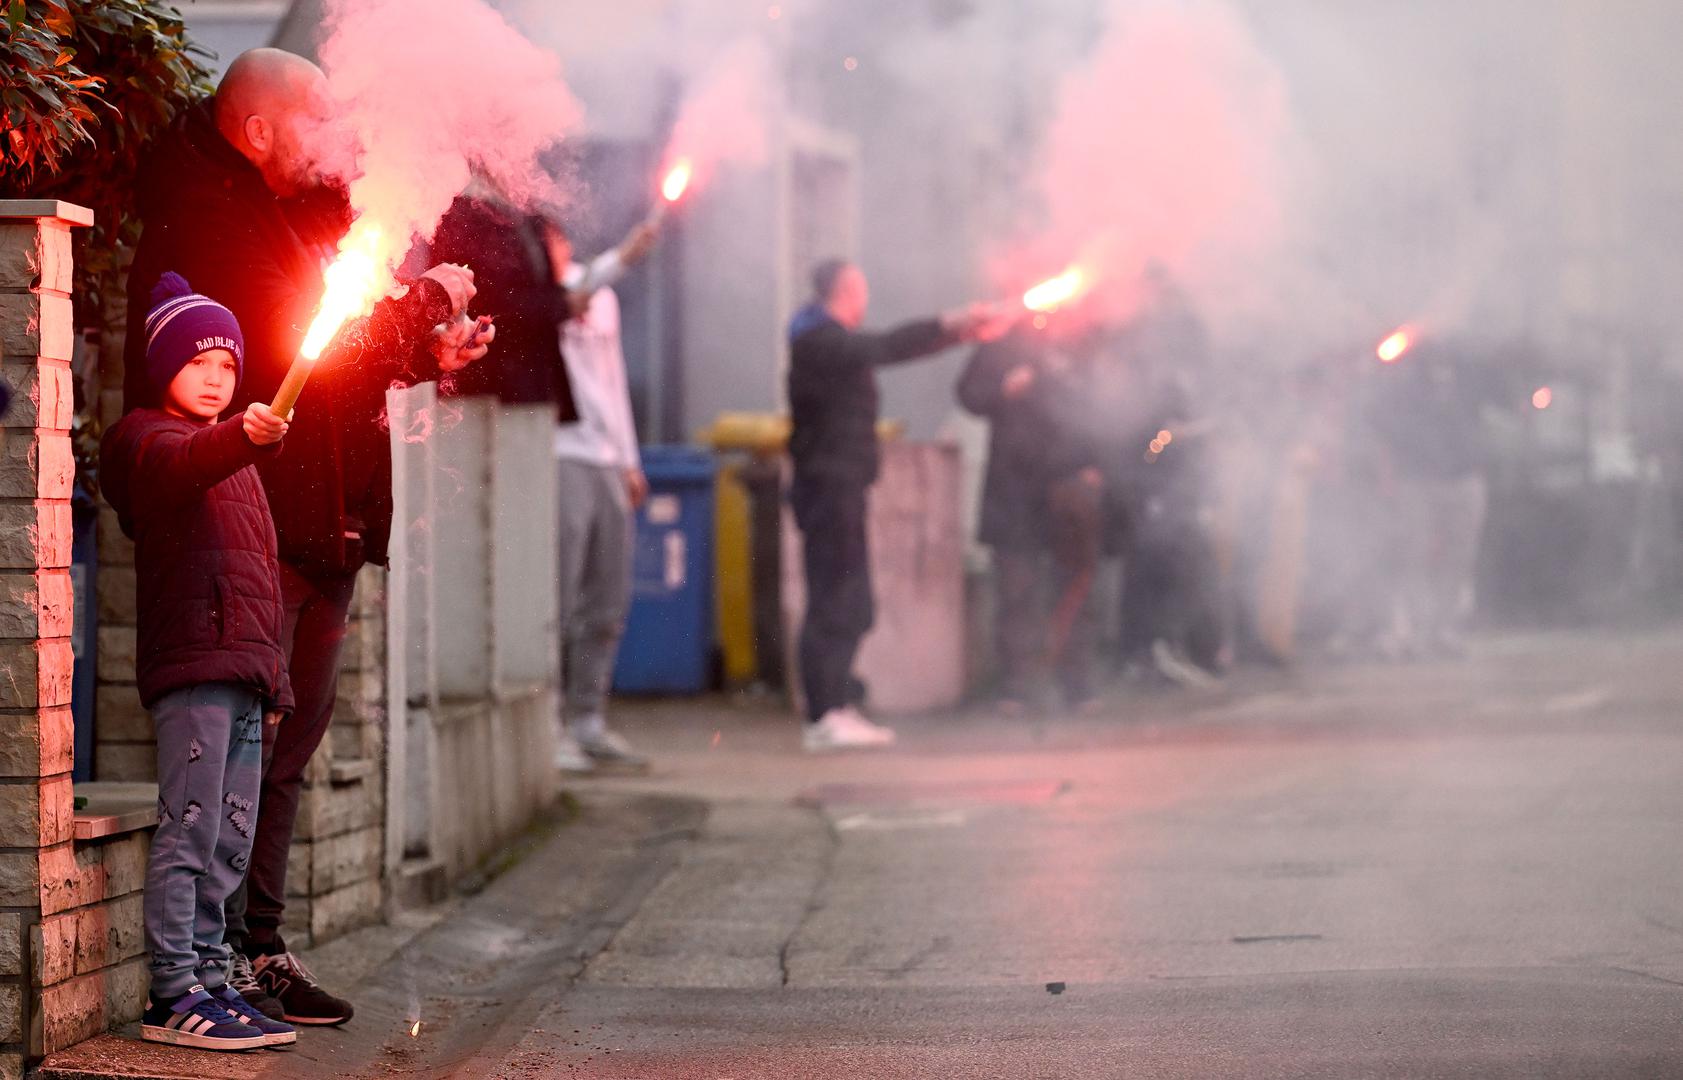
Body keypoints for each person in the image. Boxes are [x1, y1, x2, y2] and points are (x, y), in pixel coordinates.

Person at [123, 47, 489, 1025]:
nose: (330, 146)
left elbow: (339, 359)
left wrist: (422, 343)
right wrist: (421, 310)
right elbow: (295, 356)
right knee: (243, 759)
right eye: (311, 123)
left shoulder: (292, 205)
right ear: (256, 130)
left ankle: (258, 946)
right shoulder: (212, 213)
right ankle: (207, 969)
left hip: (322, 526)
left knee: (283, 755)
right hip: (253, 532)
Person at [102, 275, 298, 1051]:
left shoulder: (238, 462)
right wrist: (240, 439)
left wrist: (275, 678)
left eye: (228, 361)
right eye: (199, 360)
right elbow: (182, 468)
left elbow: (259, 580)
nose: (218, 374)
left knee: (229, 835)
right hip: (193, 673)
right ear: (163, 368)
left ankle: (215, 978)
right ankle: (174, 990)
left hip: (246, 677)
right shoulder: (147, 441)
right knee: (189, 829)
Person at [786, 259, 1008, 751]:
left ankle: (838, 704)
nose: (866, 295)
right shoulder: (820, 341)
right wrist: (951, 324)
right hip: (828, 487)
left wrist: (959, 332)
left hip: (842, 486)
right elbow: (886, 346)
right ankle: (824, 714)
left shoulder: (831, 341)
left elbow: (883, 346)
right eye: (861, 286)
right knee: (834, 599)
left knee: (852, 600)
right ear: (843, 290)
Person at [539, 217, 660, 772]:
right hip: (563, 454)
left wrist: (630, 458)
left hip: (608, 460)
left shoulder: (599, 294)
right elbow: (570, 298)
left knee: (607, 597)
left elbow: (612, 379)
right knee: (560, 595)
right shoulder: (541, 297)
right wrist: (628, 252)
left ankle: (590, 719)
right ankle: (553, 725)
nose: (556, 249)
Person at [959, 317, 1110, 710]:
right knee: (1017, 589)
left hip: (1070, 484)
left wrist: (1096, 468)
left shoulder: (1084, 340)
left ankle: (1077, 684)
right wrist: (1003, 390)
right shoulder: (1001, 342)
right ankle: (1018, 686)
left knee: (1076, 588)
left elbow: (1110, 407)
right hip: (1014, 487)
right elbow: (969, 395)